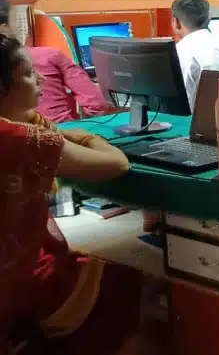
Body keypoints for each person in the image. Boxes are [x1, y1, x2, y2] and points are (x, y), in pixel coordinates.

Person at [0, 34, 140, 355]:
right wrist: (85, 137)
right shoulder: (22, 139)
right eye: (27, 73)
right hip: (19, 284)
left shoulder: (25, 128)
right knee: (124, 280)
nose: (40, 78)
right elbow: (116, 164)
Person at [0, 0, 109, 124]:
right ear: (5, 29)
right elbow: (96, 102)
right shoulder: (48, 55)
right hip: (61, 129)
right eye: (29, 72)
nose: (41, 78)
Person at [171, 0, 219, 109]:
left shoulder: (180, 52)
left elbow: (183, 102)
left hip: (196, 123)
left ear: (176, 22)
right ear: (209, 20)